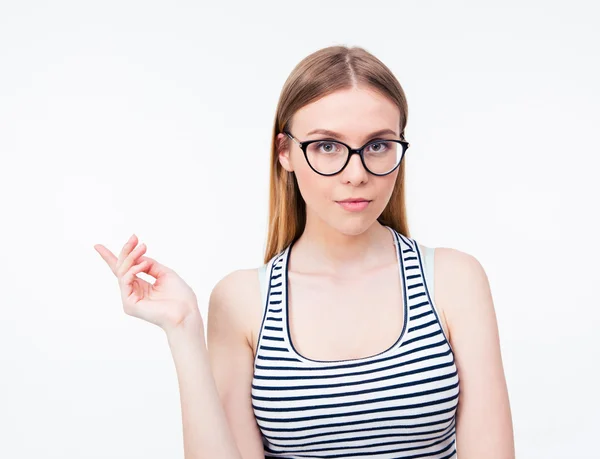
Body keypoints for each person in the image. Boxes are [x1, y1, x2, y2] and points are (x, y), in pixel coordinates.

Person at [95, 45, 515, 458]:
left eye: (378, 145)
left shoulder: (454, 281)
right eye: (327, 147)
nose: (356, 175)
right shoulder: (243, 300)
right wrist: (183, 328)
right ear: (284, 152)